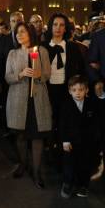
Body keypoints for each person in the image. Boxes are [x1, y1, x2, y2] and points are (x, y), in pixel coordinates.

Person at [5, 22, 52, 189]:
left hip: (37, 99)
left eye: (22, 32)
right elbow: (8, 77)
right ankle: (23, 164)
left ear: (30, 34)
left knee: (37, 136)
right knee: (20, 136)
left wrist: (39, 75)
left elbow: (47, 74)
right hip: (18, 99)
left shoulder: (41, 51)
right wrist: (20, 74)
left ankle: (37, 170)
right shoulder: (12, 53)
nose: (19, 35)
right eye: (17, 32)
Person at [43, 12, 86, 169]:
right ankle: (51, 154)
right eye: (55, 24)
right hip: (48, 90)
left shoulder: (72, 47)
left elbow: (81, 69)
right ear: (51, 26)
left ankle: (65, 156)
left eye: (62, 25)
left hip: (66, 90)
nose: (58, 28)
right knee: (50, 122)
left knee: (65, 122)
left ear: (66, 28)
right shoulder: (43, 47)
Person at [59, 75, 103, 198]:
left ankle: (84, 185)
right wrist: (65, 141)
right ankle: (67, 183)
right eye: (74, 90)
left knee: (85, 165)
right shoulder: (66, 105)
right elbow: (63, 125)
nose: (77, 93)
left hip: (86, 142)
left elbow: (95, 123)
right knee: (69, 164)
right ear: (69, 91)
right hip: (71, 142)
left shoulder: (91, 104)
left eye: (81, 90)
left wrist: (96, 140)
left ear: (86, 90)